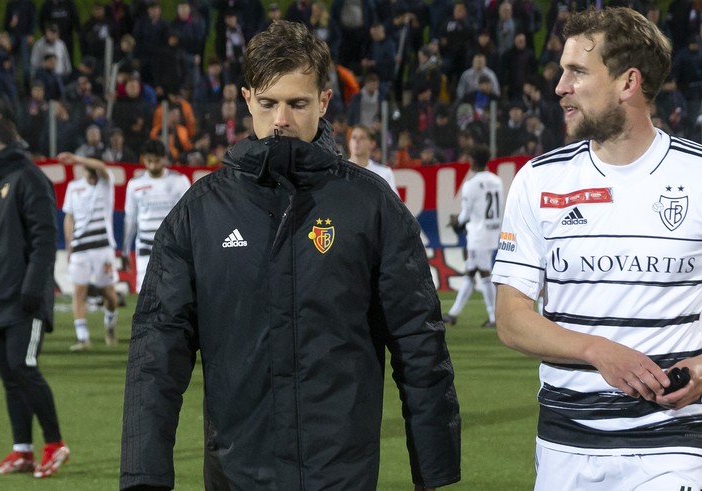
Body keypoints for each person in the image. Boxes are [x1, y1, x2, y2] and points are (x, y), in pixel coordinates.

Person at [120, 20, 461, 490]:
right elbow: (156, 352)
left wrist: (434, 469)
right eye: (268, 103)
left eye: (297, 103)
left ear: (323, 101)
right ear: (246, 101)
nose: (281, 119)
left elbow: (418, 342)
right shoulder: (200, 213)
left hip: (341, 476)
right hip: (238, 475)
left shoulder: (370, 204)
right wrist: (144, 475)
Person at [492, 8, 702, 491]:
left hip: (672, 437)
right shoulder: (537, 181)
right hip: (566, 441)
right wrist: (597, 351)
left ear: (628, 83)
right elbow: (511, 316)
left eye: (577, 71)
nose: (560, 87)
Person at [0, 119, 70, 477]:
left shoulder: (30, 178)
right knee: (10, 377)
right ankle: (22, 450)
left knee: (24, 369)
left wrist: (31, 288)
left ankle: (55, 444)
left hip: (22, 300)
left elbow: (45, 239)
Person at [59, 152, 120, 350]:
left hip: (103, 247)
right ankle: (83, 337)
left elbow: (101, 166)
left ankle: (110, 324)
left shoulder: (105, 183)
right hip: (80, 247)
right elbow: (69, 217)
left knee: (110, 296)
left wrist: (77, 158)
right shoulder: (74, 187)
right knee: (78, 292)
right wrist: (69, 245)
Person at [443, 145, 503, 328]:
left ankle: (494, 317)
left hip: (478, 234)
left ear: (473, 161)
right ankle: (453, 314)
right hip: (493, 230)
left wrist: (456, 222)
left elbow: (465, 214)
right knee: (471, 271)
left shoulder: (471, 184)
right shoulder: (497, 181)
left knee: (484, 272)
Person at [122, 140, 191, 292]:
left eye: (157, 161)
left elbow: (188, 216)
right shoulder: (134, 185)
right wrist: (125, 250)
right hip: (145, 246)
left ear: (165, 158)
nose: (153, 165)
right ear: (144, 159)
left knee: (172, 293)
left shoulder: (179, 181)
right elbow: (130, 219)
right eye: (149, 161)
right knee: (145, 294)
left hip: (172, 247)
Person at [347, 123, 397, 192]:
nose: (357, 141)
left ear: (372, 144)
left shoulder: (384, 174)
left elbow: (392, 202)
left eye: (362, 138)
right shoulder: (338, 172)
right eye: (354, 137)